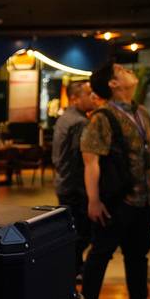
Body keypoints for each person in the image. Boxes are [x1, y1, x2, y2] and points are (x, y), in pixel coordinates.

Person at [81, 60, 150, 299]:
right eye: (122, 70)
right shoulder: (103, 117)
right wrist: (94, 200)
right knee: (101, 254)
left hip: (144, 201)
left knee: (138, 256)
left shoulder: (142, 113)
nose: (129, 71)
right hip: (116, 202)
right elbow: (91, 162)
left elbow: (144, 153)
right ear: (113, 84)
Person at [52, 80, 97, 278]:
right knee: (82, 231)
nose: (93, 97)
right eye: (88, 93)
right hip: (75, 186)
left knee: (73, 230)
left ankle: (73, 268)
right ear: (75, 98)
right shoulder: (80, 122)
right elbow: (79, 159)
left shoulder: (65, 118)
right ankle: (74, 269)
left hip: (64, 183)